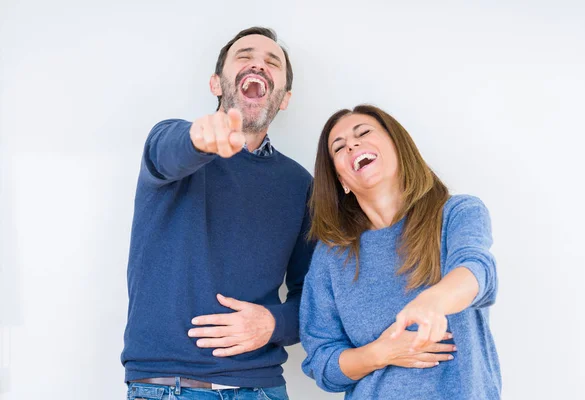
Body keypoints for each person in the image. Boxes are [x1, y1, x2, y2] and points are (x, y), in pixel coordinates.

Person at [121, 27, 314, 400]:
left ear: (284, 97)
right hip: (167, 386)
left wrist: (274, 323)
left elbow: (312, 297)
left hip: (262, 388)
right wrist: (200, 138)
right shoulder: (173, 142)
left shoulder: (300, 184)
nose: (259, 63)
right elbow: (168, 151)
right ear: (216, 83)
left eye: (272, 62)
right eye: (244, 56)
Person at [300, 105, 501, 399]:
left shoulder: (456, 214)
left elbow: (476, 269)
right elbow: (322, 361)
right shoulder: (331, 258)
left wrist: (432, 302)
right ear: (342, 180)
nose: (352, 144)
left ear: (398, 146)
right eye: (339, 147)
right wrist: (379, 353)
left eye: (364, 133)